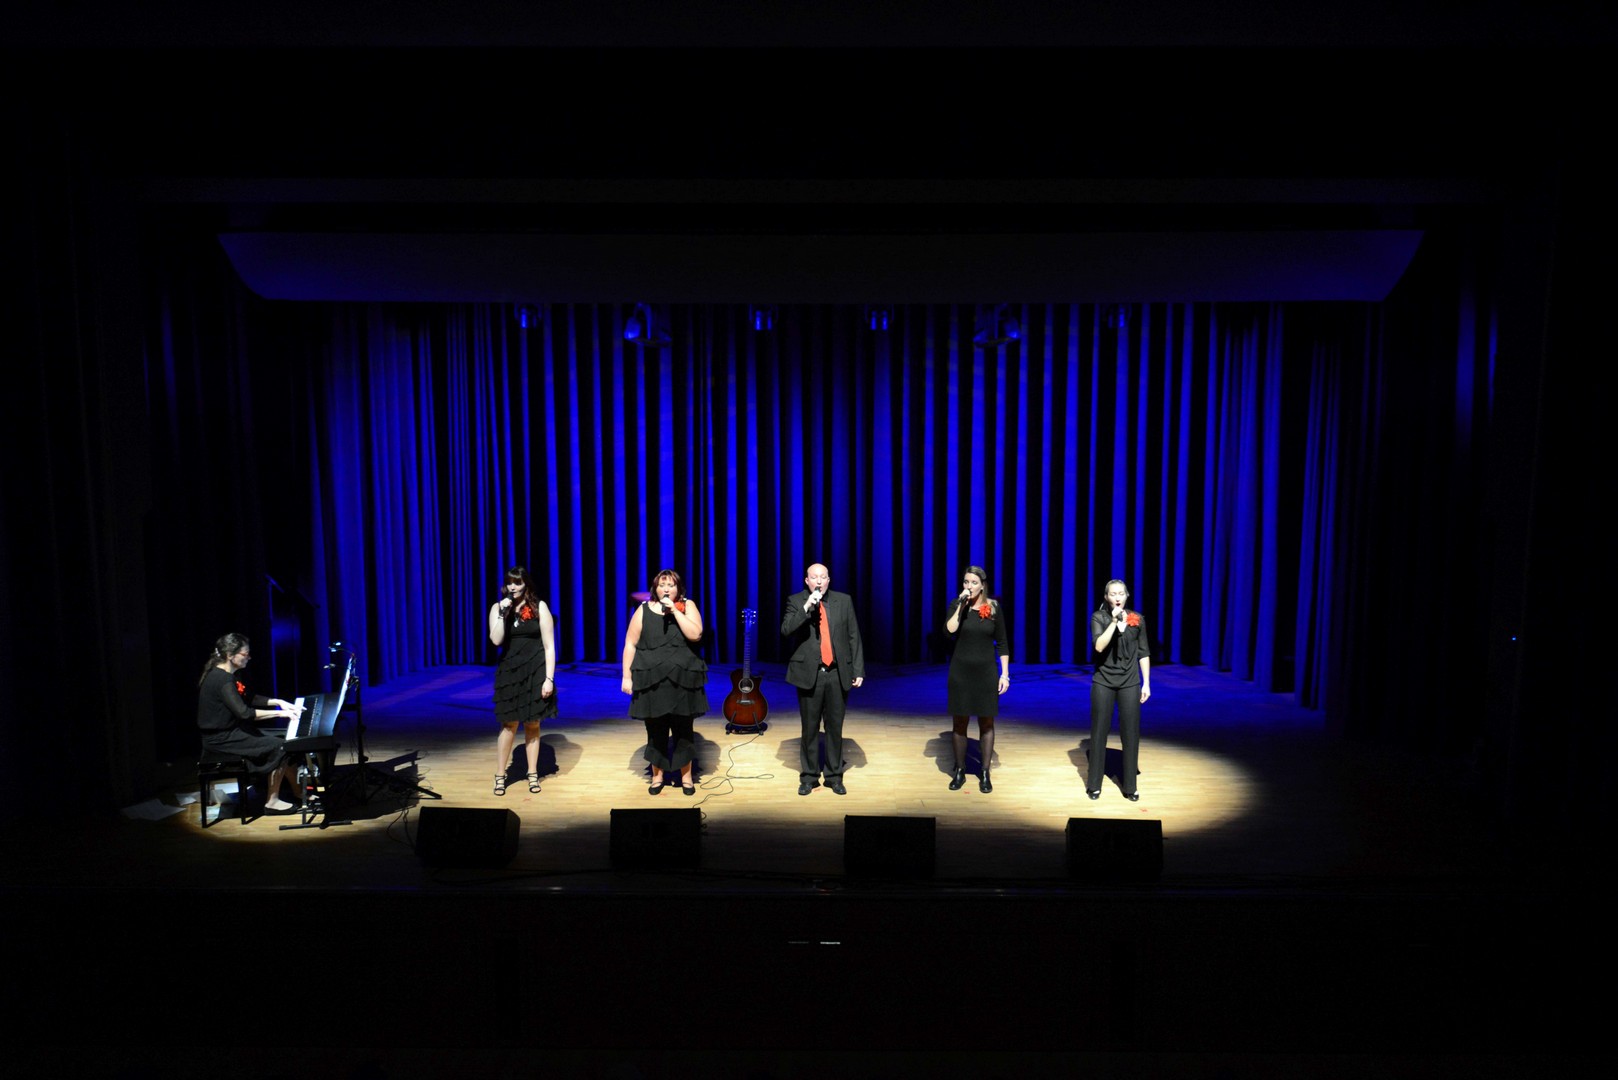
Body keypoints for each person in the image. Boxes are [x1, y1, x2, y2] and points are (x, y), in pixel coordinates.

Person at [621, 569, 708, 796]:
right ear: (655, 588)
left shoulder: (688, 606)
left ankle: (686, 777)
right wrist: (626, 676)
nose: (666, 589)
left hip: (682, 680)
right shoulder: (643, 610)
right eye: (662, 585)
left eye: (670, 585)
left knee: (683, 730)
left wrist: (675, 611)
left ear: (678, 589)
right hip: (652, 680)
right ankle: (657, 776)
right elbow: (630, 643)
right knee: (655, 730)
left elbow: (696, 634)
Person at [781, 562, 865, 795]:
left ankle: (834, 776)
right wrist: (807, 606)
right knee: (809, 728)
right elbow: (786, 630)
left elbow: (853, 636)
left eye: (823, 577)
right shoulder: (796, 601)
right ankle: (809, 776)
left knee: (834, 728)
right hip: (811, 674)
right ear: (806, 581)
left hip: (837, 673)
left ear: (829, 580)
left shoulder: (843, 601)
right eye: (814, 577)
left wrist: (858, 669)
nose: (819, 581)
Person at [196, 633, 303, 813]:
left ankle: (299, 792)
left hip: (232, 732)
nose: (249, 658)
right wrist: (281, 713)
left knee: (287, 741)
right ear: (230, 655)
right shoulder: (222, 680)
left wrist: (278, 702)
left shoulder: (228, 675)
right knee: (281, 746)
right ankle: (272, 802)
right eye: (245, 654)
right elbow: (245, 713)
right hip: (221, 739)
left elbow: (248, 697)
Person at [489, 565, 557, 795]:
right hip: (510, 672)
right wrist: (502, 613)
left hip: (535, 671)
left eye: (517, 583)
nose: (513, 587)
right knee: (508, 724)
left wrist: (549, 679)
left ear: (525, 584)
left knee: (532, 723)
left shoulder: (539, 607)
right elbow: (496, 640)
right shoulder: (498, 608)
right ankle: (500, 775)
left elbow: (549, 646)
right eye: (509, 583)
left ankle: (532, 774)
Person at [943, 565, 1010, 793]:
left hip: (986, 673)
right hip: (961, 673)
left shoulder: (993, 608)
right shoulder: (957, 604)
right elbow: (949, 631)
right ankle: (960, 770)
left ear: (982, 585)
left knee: (986, 723)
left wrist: (1005, 674)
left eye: (973, 582)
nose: (969, 586)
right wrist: (960, 606)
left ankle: (984, 772)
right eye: (966, 582)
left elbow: (1002, 643)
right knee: (959, 723)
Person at [1087, 578, 1151, 801]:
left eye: (1121, 593)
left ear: (1127, 596)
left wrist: (1146, 682)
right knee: (1099, 732)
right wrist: (1114, 622)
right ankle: (1094, 784)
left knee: (1131, 734)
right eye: (1112, 594)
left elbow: (1143, 652)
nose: (1117, 597)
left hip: (1130, 682)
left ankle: (1130, 786)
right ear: (1106, 597)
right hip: (1103, 681)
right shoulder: (1099, 617)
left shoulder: (1137, 619)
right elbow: (1099, 646)